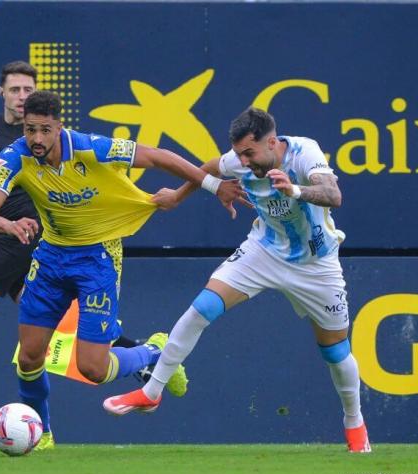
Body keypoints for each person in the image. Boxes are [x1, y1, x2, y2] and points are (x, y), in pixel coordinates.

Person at [0, 90, 248, 432]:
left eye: (45, 130)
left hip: (96, 258)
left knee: (93, 369)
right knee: (28, 357)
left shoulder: (90, 146)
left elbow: (158, 156)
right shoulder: (14, 157)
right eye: (30, 130)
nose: (37, 139)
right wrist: (9, 224)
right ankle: (40, 432)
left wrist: (213, 185)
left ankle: (152, 351)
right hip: (51, 258)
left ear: (59, 127)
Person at [103, 107, 372, 454]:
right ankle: (151, 392)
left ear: (272, 142)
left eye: (250, 152)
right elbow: (211, 167)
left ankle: (355, 424)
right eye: (239, 153)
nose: (243, 161)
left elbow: (333, 195)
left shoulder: (305, 152)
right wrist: (181, 194)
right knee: (202, 307)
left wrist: (295, 190)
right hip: (264, 250)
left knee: (335, 351)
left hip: (316, 263)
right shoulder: (237, 161)